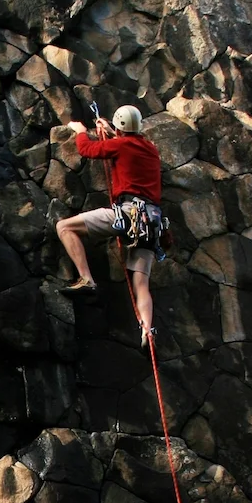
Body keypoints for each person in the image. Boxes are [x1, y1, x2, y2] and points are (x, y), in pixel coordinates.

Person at [54, 105, 165, 346]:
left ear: (119, 127)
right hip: (152, 223)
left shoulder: (121, 145)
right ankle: (147, 328)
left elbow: (87, 149)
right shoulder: (150, 149)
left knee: (64, 227)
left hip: (129, 214)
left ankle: (86, 279)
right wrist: (111, 132)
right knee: (141, 282)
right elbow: (128, 145)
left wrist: (80, 130)